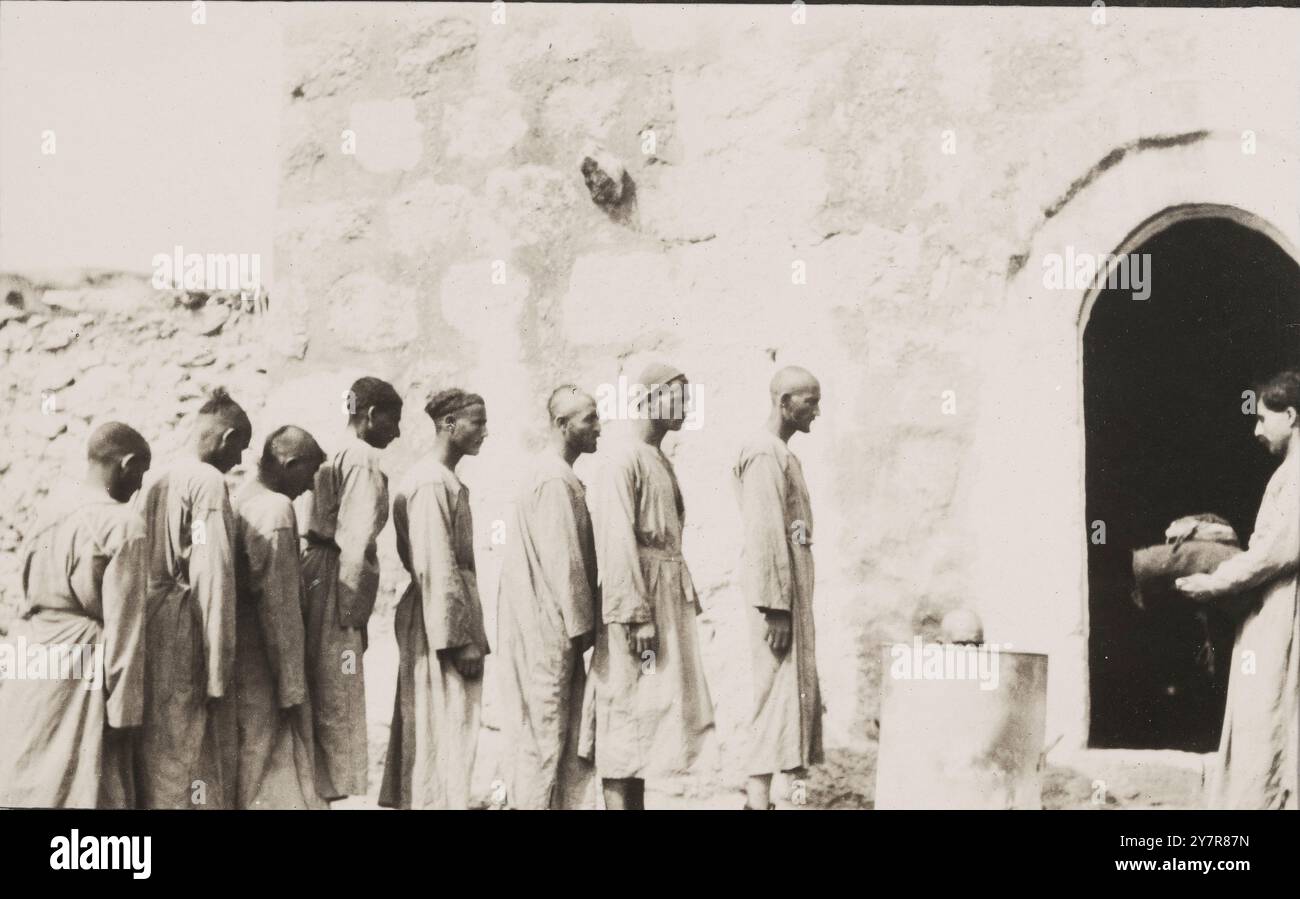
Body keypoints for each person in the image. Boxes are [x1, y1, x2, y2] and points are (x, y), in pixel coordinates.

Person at [579, 362, 715, 810]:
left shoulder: (657, 458)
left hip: (664, 597)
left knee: (651, 717)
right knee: (625, 713)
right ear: (651, 398)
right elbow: (617, 541)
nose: (687, 407)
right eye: (680, 396)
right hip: (636, 604)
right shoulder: (622, 458)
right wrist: (636, 616)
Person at [0, 423, 150, 808]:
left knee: (28, 770)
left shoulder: (49, 513)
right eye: (140, 474)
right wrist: (124, 712)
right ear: (127, 464)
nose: (139, 486)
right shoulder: (124, 524)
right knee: (85, 783)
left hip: (32, 656)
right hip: (80, 661)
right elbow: (125, 628)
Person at [1178, 369, 1300, 809]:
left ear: (1290, 415)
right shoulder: (1286, 474)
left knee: (1269, 724)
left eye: (1263, 419)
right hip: (1273, 610)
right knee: (1264, 725)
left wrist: (1214, 583)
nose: (1256, 429)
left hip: (1286, 614)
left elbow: (1278, 551)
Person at [136, 388, 249, 809]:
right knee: (191, 750)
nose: (239, 462)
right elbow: (211, 571)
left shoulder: (153, 479)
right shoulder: (207, 481)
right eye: (240, 449)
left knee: (159, 747)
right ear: (227, 438)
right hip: (186, 625)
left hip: (150, 622)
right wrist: (218, 666)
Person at [380, 389, 490, 809]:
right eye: (476, 422)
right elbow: (435, 565)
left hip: (446, 617)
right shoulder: (428, 482)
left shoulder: (444, 479)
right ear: (449, 424)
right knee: (436, 731)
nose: (484, 431)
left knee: (451, 733)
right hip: (437, 624)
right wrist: (460, 638)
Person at [497, 386, 600, 809]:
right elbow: (567, 566)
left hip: (544, 628)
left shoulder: (554, 474)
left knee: (551, 739)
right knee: (545, 740)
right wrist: (585, 631)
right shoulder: (555, 479)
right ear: (562, 424)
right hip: (550, 632)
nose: (598, 427)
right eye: (589, 419)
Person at [301, 376, 402, 802]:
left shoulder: (334, 449)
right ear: (372, 415)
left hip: (316, 571)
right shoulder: (361, 457)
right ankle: (327, 794)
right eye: (393, 422)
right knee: (337, 695)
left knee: (318, 692)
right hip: (336, 576)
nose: (396, 433)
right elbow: (356, 540)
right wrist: (351, 616)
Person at [733, 366, 824, 810]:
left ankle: (769, 799)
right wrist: (776, 608)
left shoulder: (782, 453)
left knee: (787, 696)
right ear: (784, 402)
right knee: (777, 696)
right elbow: (766, 532)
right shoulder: (764, 453)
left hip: (791, 593)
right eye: (810, 401)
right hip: (777, 599)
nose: (818, 411)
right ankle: (765, 799)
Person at [232, 426, 327, 809]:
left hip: (240, 652)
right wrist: (291, 683)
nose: (308, 488)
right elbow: (280, 605)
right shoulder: (276, 510)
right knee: (269, 758)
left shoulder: (241, 498)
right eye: (308, 475)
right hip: (263, 660)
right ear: (289, 464)